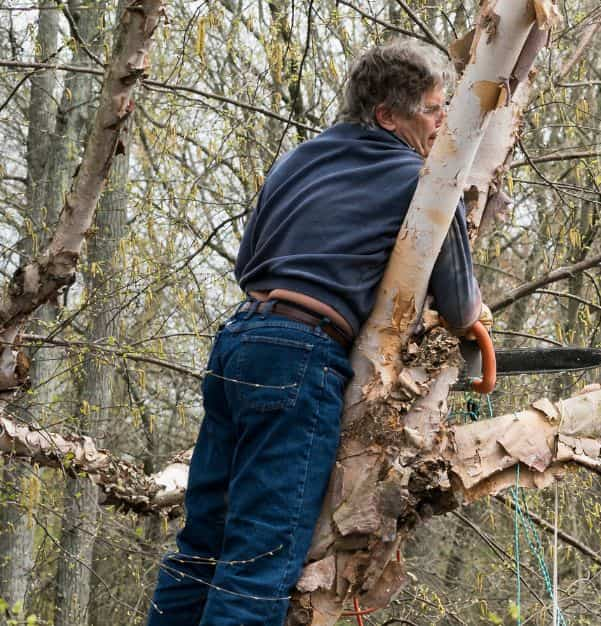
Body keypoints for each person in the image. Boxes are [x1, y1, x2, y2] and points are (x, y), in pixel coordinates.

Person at [144, 39, 486, 625]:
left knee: (202, 546)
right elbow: (458, 304)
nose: (441, 123)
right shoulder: (426, 181)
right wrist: (474, 325)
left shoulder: (298, 159)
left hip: (239, 342)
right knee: (260, 560)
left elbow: (247, 262)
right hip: (301, 356)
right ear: (388, 116)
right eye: (433, 109)